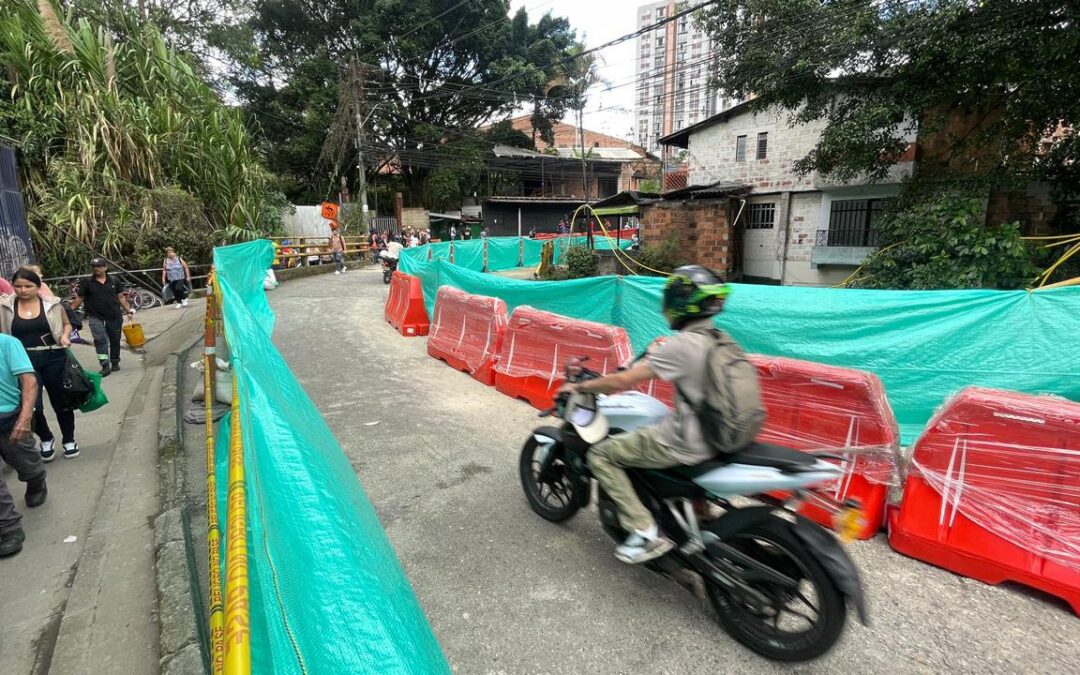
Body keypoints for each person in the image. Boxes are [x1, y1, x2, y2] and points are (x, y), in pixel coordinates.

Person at [558, 265, 757, 564]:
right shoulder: (721, 339)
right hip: (730, 434)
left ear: (681, 302)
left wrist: (583, 386)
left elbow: (625, 381)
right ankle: (695, 514)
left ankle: (645, 530)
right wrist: (657, 352)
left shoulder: (683, 345)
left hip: (688, 442)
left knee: (601, 455)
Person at [0, 269, 76, 461]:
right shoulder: (5, 307)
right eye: (18, 286)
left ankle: (69, 439)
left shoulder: (53, 304)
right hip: (22, 362)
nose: (23, 290)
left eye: (28, 286)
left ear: (38, 286)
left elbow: (67, 324)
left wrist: (65, 336)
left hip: (54, 356)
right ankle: (46, 437)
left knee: (61, 402)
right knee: (33, 405)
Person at [0, 329, 45, 558]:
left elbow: (29, 381)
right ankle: (8, 528)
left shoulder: (7, 344)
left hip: (8, 418)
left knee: (27, 464)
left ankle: (37, 479)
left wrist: (25, 417)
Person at [69, 258, 133, 377]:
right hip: (95, 316)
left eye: (98, 266)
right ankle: (104, 365)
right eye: (93, 266)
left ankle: (115, 361)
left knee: (115, 339)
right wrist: (68, 311)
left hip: (114, 315)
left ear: (105, 267)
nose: (96, 268)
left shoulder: (114, 280)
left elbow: (121, 297)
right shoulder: (87, 282)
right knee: (100, 340)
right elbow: (80, 298)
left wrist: (128, 310)